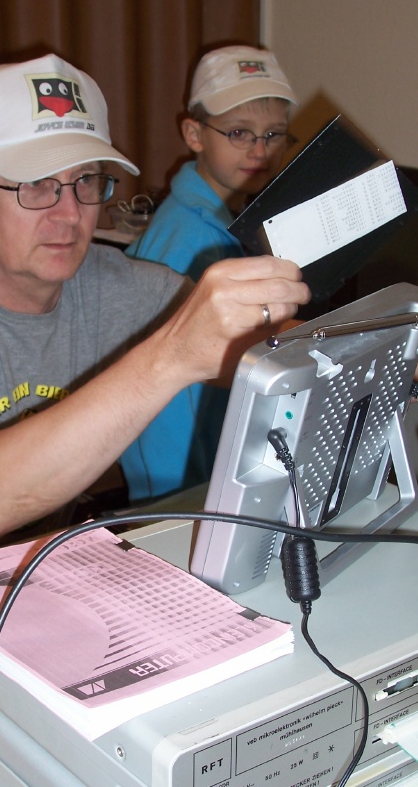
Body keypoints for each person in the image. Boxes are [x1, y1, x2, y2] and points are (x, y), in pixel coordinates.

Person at [0, 53, 310, 592]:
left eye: (85, 181)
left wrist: (370, 340)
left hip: (21, 583)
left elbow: (284, 352)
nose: (70, 214)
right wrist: (172, 355)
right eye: (35, 184)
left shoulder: (114, 284)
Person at [120, 45, 299, 502]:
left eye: (274, 134)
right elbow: (162, 400)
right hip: (182, 484)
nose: (260, 150)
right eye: (239, 132)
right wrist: (183, 497)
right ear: (194, 134)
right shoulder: (190, 243)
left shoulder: (224, 222)